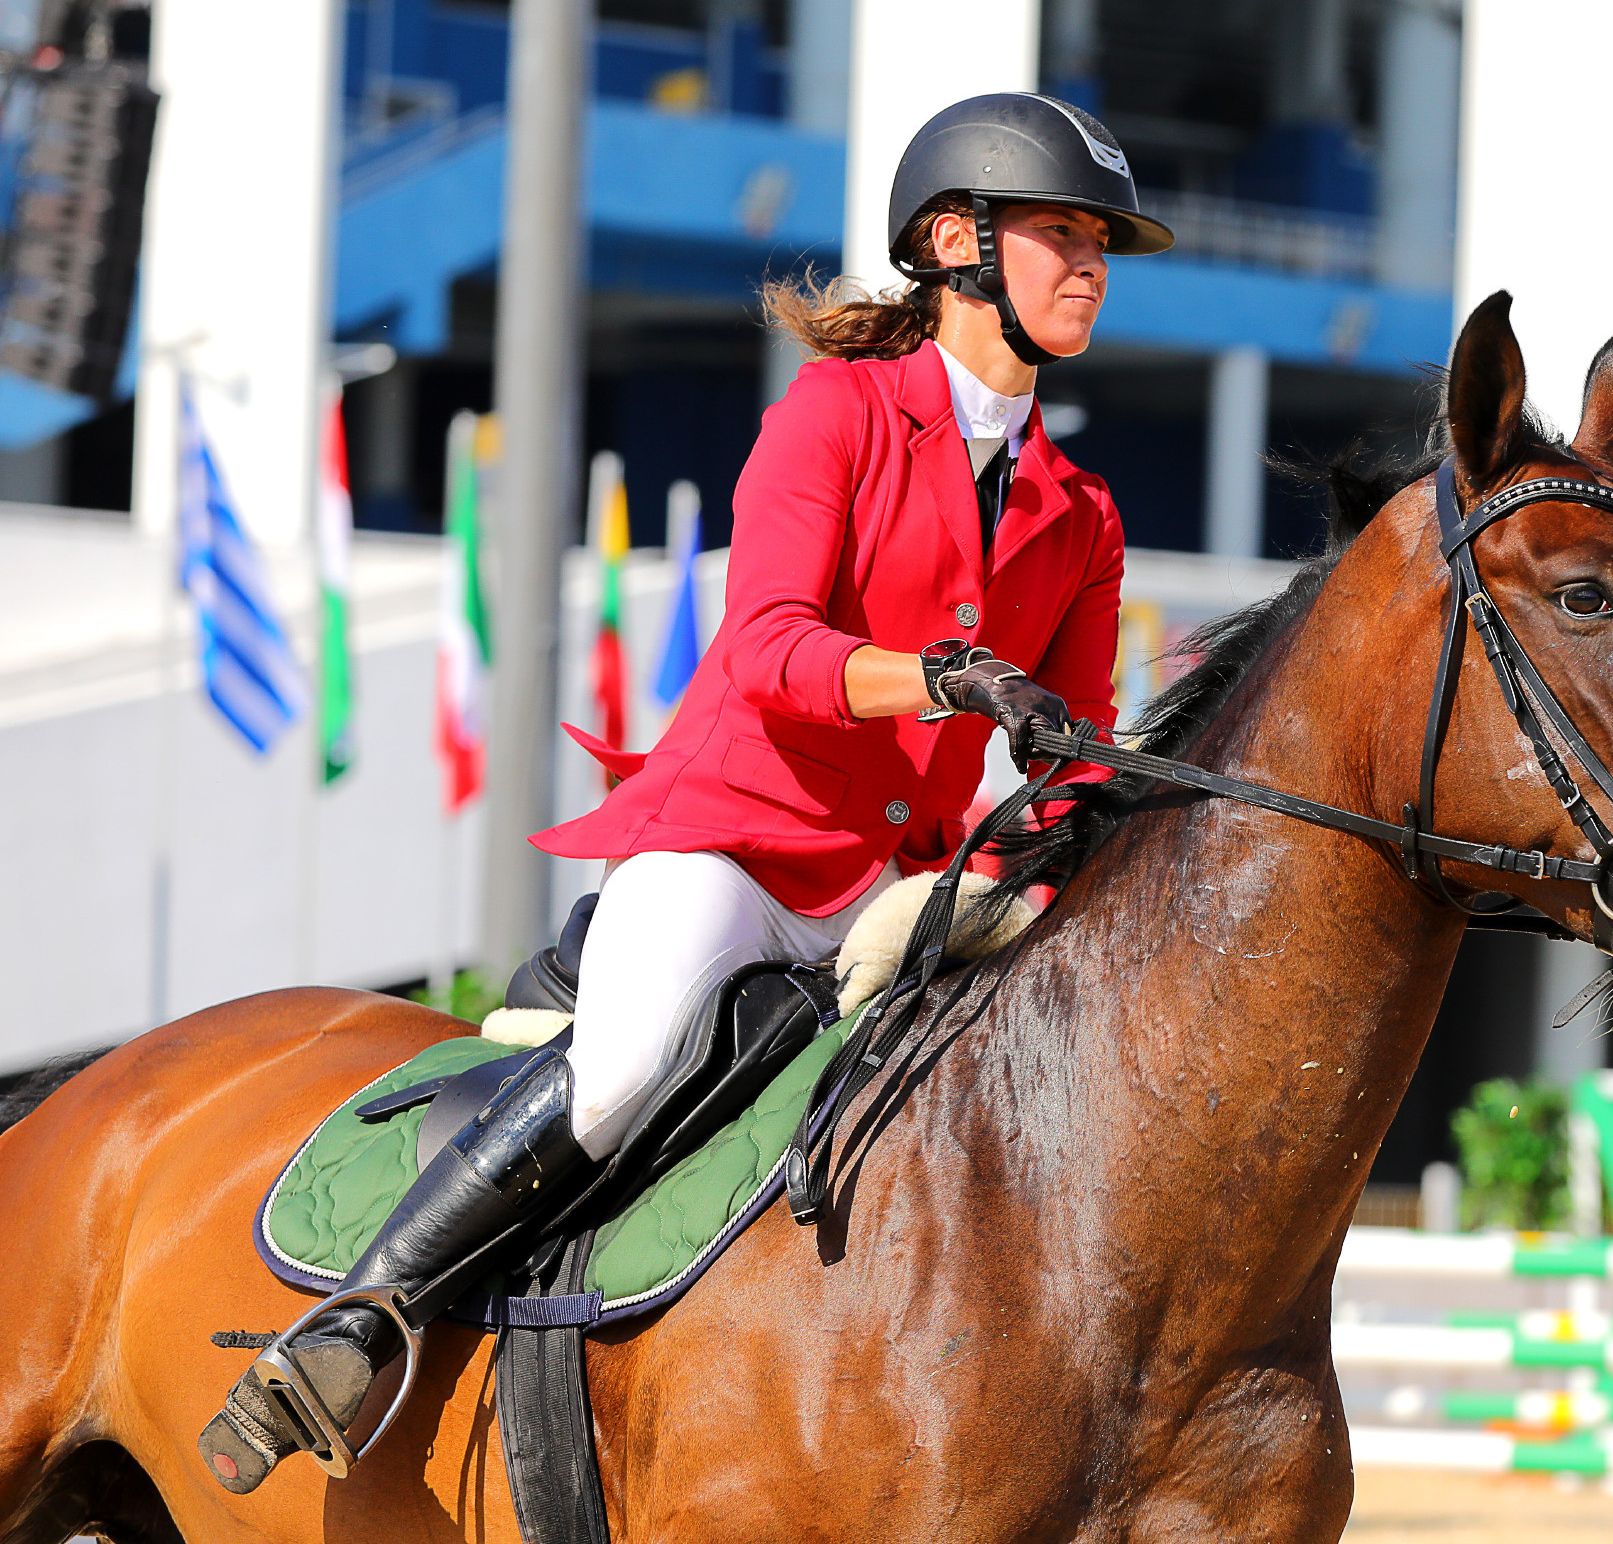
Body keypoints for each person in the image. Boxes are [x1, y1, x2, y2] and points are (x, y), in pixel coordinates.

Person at [200, 93, 1174, 1493]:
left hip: (901, 882)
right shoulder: (835, 413)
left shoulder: (1081, 513)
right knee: (625, 1065)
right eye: (1063, 232)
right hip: (738, 843)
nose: (1091, 263)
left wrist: (1095, 815)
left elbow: (1070, 748)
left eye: (1101, 244)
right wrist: (945, 678)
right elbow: (770, 646)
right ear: (957, 243)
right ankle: (358, 1321)